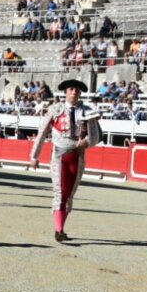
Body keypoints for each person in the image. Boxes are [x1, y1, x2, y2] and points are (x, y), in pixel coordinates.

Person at [30, 79, 101, 242]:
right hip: (59, 155)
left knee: (70, 193)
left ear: (80, 93)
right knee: (60, 192)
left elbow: (96, 135)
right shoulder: (55, 109)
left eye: (77, 90)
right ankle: (59, 229)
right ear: (65, 92)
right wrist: (34, 156)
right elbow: (42, 133)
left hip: (78, 155)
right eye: (71, 89)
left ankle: (61, 227)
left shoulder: (88, 111)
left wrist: (88, 142)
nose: (74, 92)